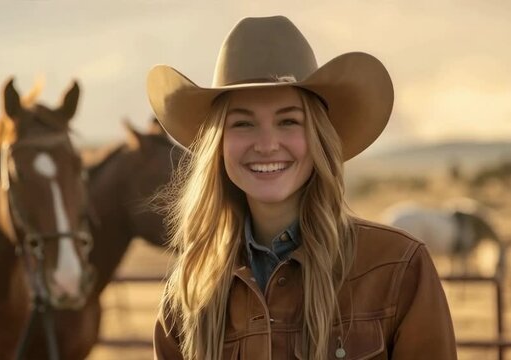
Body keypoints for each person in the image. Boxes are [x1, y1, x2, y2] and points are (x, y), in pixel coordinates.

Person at [146, 15, 457, 360]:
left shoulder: (397, 267)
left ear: (318, 138)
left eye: (288, 121)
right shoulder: (189, 290)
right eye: (243, 123)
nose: (266, 145)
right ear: (218, 144)